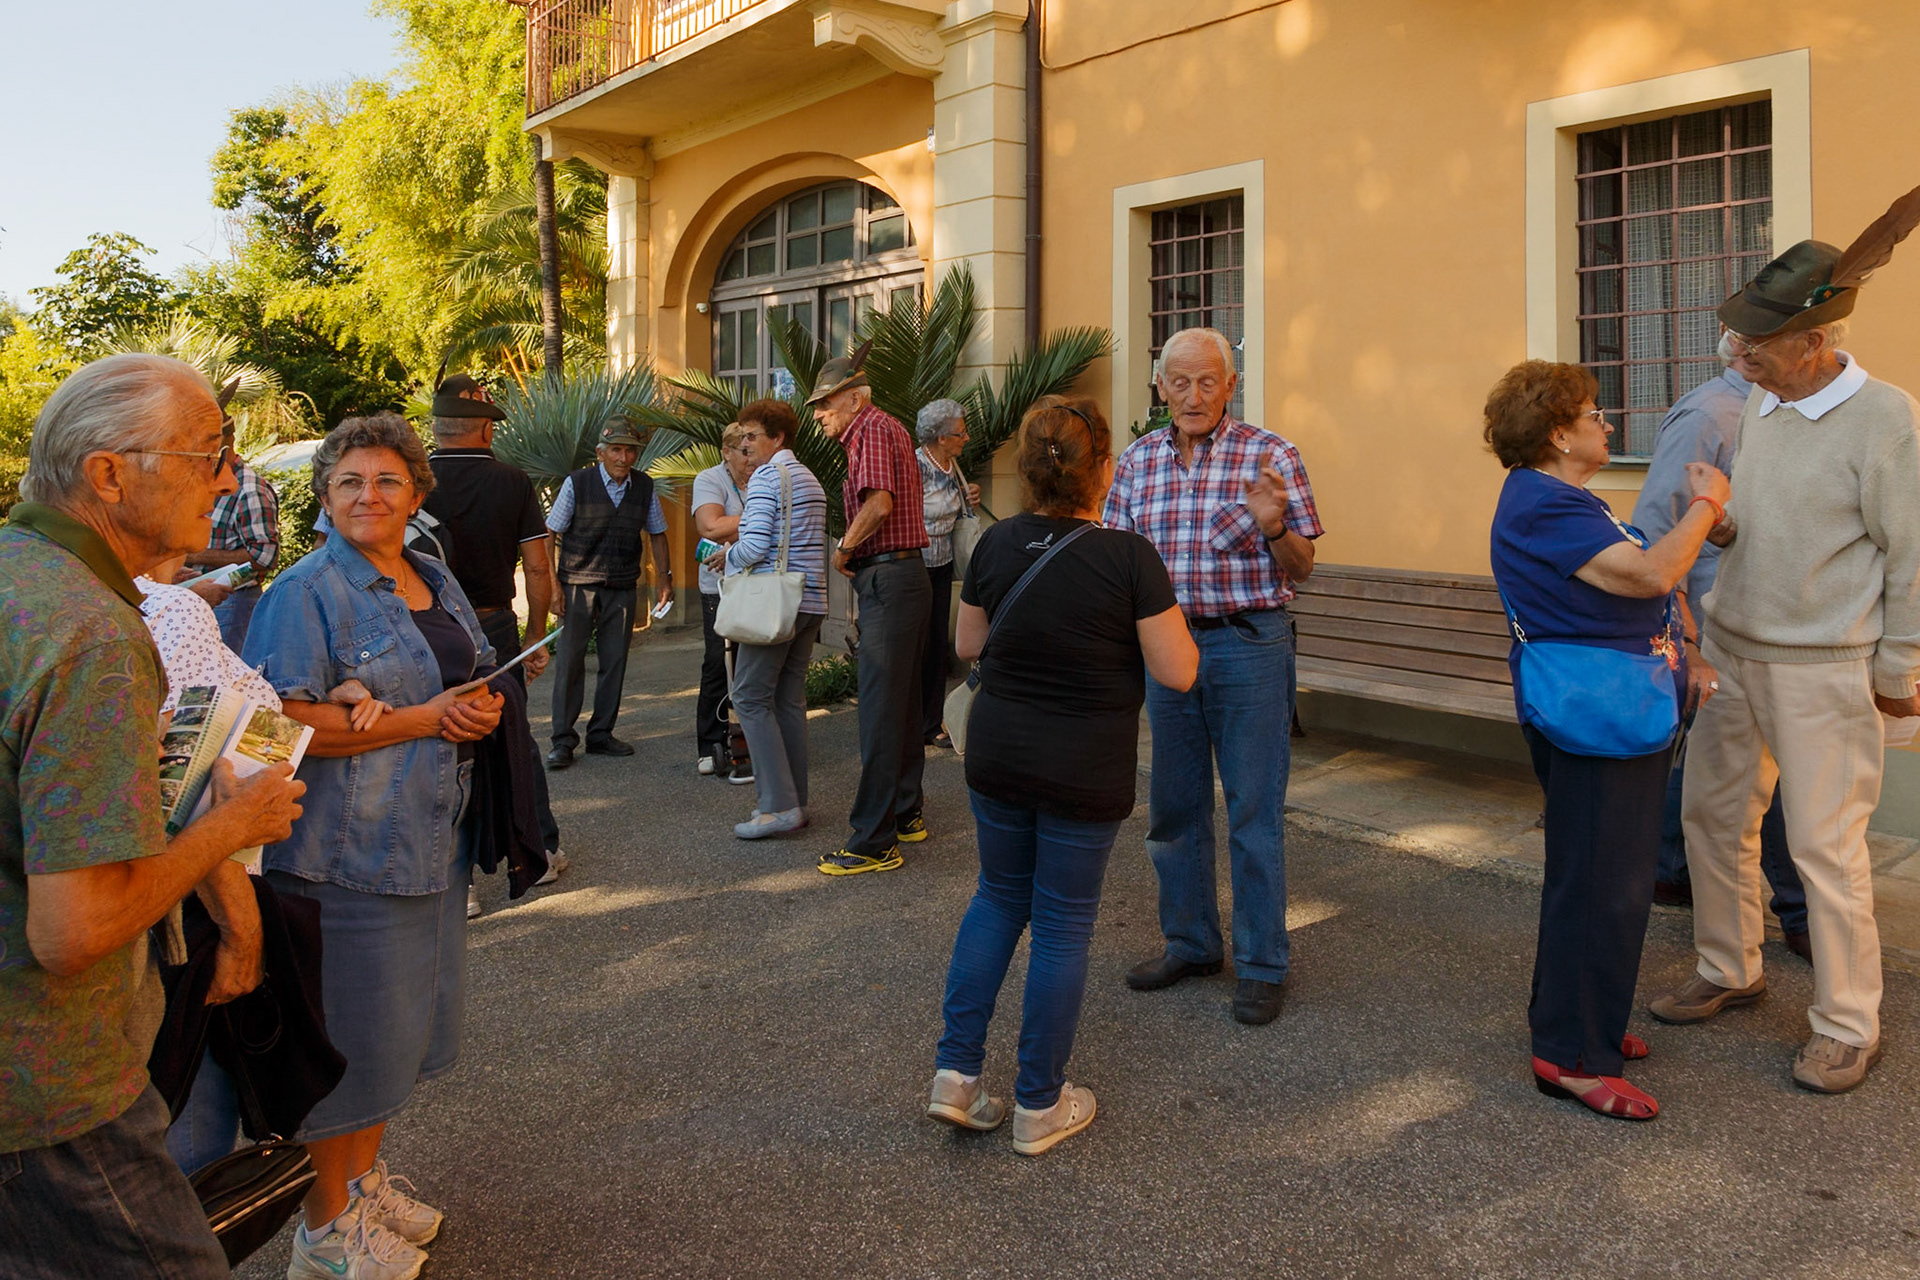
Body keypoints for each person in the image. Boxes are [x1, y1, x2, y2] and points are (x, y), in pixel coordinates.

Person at [0, 353, 304, 1279]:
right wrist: (230, 826)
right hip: (51, 1093)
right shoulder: (91, 632)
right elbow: (75, 930)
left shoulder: (21, 578)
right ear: (108, 474)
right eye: (207, 454)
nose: (228, 479)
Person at [1649, 233, 1920, 1095]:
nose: (1740, 353)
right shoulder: (1766, 402)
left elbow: (1912, 554)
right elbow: (1773, 520)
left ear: (1816, 340)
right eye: (1739, 335)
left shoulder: (1888, 417)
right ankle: (1730, 969)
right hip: (1735, 648)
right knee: (1711, 818)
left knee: (1823, 849)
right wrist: (1724, 524)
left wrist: (1899, 668)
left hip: (1823, 666)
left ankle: (1847, 1025)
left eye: (1758, 340)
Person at [247, 412, 506, 1279]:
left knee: (396, 1038)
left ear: (416, 493)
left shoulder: (431, 573)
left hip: (431, 838)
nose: (369, 495)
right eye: (349, 481)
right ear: (324, 497)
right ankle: (324, 1233)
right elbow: (275, 726)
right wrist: (423, 720)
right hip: (344, 855)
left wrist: (478, 707)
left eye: (388, 479)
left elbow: (467, 672)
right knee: (347, 1047)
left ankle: (360, 1187)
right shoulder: (304, 592)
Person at [928, 396, 1196, 1156]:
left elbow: (968, 644)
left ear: (1026, 470)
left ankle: (956, 1076)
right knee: (1062, 924)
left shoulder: (997, 543)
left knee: (996, 899)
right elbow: (1178, 671)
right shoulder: (1129, 557)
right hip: (1084, 764)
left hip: (1000, 754)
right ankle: (1040, 1104)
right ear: (1102, 471)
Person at [1487, 359, 1727, 1122]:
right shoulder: (1545, 503)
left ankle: (1584, 1021)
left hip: (1615, 710)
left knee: (1601, 878)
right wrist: (1707, 502)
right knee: (1601, 886)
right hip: (1598, 717)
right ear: (1558, 433)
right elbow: (1651, 574)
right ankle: (1570, 1056)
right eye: (1593, 413)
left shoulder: (1563, 498)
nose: (1607, 423)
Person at [1103, 326, 1323, 1026]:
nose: (1194, 395)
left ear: (1231, 386)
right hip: (1167, 648)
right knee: (1174, 807)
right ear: (1160, 388)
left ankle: (1261, 964)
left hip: (1248, 646)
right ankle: (1192, 943)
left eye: (1208, 381)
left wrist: (1275, 528)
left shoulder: (1271, 454)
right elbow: (1116, 563)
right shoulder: (1137, 462)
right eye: (1180, 382)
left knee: (1253, 810)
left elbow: (1303, 567)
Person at [1629, 359, 1809, 952]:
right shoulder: (1710, 413)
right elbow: (1658, 525)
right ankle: (1799, 913)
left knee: (1722, 763)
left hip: (1774, 623)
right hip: (1715, 623)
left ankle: (1670, 870)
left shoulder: (1785, 408)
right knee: (1752, 767)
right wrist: (1683, 629)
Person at [420, 374, 568, 909]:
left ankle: (454, 882)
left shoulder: (411, 481)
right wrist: (536, 636)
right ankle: (541, 851)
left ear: (437, 427)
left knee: (437, 740)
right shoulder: (512, 481)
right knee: (513, 737)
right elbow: (537, 566)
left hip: (424, 627)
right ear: (485, 430)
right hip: (492, 625)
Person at [810, 351, 932, 875]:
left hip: (890, 576)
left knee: (881, 712)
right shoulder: (879, 429)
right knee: (899, 705)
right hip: (901, 577)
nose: (819, 414)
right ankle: (905, 813)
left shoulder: (872, 429)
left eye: (826, 403)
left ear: (855, 399)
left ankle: (873, 842)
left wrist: (844, 547)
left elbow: (879, 504)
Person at [717, 400, 829, 839]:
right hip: (809, 599)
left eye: (752, 436)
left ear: (778, 437)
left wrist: (726, 557)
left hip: (773, 602)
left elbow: (755, 544)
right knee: (787, 700)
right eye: (742, 437)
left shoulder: (767, 476)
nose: (745, 445)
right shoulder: (808, 477)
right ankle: (794, 802)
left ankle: (778, 806)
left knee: (748, 697)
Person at [545, 418, 672, 769]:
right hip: (577, 584)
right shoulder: (577, 483)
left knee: (614, 662)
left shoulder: (644, 486)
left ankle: (601, 735)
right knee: (570, 662)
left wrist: (665, 579)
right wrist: (553, 586)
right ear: (600, 453)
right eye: (616, 449)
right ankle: (562, 740)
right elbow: (550, 532)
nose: (623, 457)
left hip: (622, 585)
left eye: (630, 450)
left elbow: (658, 533)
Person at [182, 405, 279, 651]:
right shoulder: (203, 482)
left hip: (233, 603)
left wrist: (195, 556)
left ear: (227, 440)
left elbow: (265, 557)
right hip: (201, 597)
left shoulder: (250, 488)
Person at [915, 398, 982, 747]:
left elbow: (953, 511)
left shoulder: (951, 465)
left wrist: (969, 497)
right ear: (941, 437)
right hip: (916, 565)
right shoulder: (915, 466)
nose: (966, 438)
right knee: (920, 645)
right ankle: (915, 722)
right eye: (960, 433)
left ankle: (931, 722)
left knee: (939, 642)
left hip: (942, 565)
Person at [692, 422, 756, 778]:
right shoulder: (710, 479)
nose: (749, 458)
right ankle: (709, 743)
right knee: (718, 660)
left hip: (759, 583)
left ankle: (754, 738)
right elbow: (710, 527)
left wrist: (737, 524)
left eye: (752, 449)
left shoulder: (763, 475)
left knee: (755, 660)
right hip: (719, 586)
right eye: (742, 452)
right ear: (726, 452)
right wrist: (758, 518)